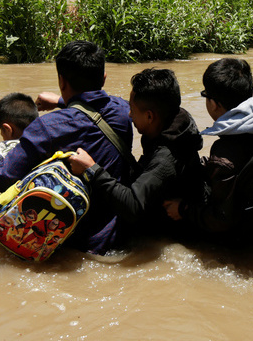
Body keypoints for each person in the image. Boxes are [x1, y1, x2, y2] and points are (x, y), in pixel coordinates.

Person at [0, 40, 133, 254]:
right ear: (104, 78)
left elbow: (4, 178)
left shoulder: (47, 127)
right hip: (123, 231)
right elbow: (95, 109)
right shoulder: (125, 111)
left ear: (61, 81)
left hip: (75, 246)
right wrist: (61, 101)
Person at [163, 58, 253, 237]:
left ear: (214, 104)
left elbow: (220, 220)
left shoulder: (223, 153)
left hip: (249, 238)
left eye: (205, 95)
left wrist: (183, 209)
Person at [67, 68, 203, 237]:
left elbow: (133, 206)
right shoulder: (174, 120)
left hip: (173, 233)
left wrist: (92, 170)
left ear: (150, 117)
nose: (129, 115)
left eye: (132, 109)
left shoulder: (165, 158)